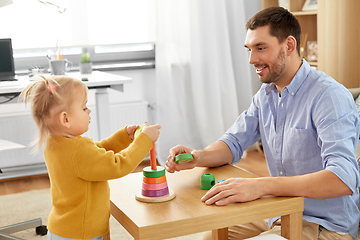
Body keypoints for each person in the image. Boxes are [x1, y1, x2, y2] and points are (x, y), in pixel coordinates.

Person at [165, 7, 359, 240]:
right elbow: (234, 141)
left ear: (288, 46)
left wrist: (261, 186)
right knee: (212, 236)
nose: (251, 59)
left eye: (260, 48)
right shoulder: (266, 95)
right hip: (277, 211)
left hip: (322, 224)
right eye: (249, 49)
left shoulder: (328, 96)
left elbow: (342, 179)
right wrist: (200, 156)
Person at [20, 75, 161, 240]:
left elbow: (95, 153)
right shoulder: (78, 150)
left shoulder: (55, 143)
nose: (89, 111)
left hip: (63, 229)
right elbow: (118, 165)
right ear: (66, 119)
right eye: (84, 108)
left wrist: (123, 137)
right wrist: (145, 140)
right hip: (83, 232)